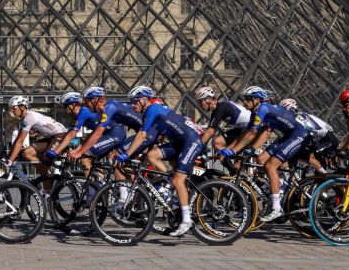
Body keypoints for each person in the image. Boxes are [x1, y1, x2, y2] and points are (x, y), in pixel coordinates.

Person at [119, 90, 204, 236]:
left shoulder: (152, 109)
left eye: (134, 101)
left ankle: (186, 220)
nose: (132, 105)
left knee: (178, 180)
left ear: (144, 99)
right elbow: (155, 137)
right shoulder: (152, 110)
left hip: (191, 141)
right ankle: (168, 184)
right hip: (180, 143)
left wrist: (126, 154)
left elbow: (142, 135)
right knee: (152, 155)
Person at [219, 86, 310, 222]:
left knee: (270, 166)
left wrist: (233, 151)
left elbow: (252, 134)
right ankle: (277, 187)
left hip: (299, 134)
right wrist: (241, 149)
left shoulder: (263, 109)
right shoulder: (256, 112)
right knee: (261, 159)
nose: (244, 102)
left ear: (257, 100)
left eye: (247, 99)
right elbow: (249, 133)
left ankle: (276, 208)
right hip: (289, 135)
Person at [67, 86, 143, 164]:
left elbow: (98, 133)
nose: (86, 105)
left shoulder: (109, 107)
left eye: (87, 102)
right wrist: (78, 149)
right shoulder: (106, 108)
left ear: (95, 100)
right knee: (115, 161)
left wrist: (79, 152)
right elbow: (95, 133)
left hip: (145, 133)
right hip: (140, 132)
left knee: (87, 158)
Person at [3, 95, 68, 182]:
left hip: (60, 135)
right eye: (11, 109)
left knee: (44, 166)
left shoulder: (29, 117)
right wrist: (9, 156)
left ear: (22, 107)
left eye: (14, 108)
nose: (12, 111)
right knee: (27, 152)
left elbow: (20, 141)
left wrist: (10, 160)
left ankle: (47, 193)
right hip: (52, 137)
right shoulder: (24, 119)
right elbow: (17, 140)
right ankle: (44, 170)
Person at [279, 98, 338, 171]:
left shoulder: (298, 118)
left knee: (307, 157)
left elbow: (310, 133)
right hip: (323, 137)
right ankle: (310, 174)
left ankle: (325, 176)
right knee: (296, 158)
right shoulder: (300, 115)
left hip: (325, 138)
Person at [195, 86, 251, 151]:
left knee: (217, 142)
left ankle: (227, 157)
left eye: (200, 101)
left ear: (208, 100)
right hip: (243, 129)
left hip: (250, 130)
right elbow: (209, 130)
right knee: (218, 143)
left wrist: (197, 148)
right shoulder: (218, 108)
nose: (199, 104)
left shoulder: (221, 108)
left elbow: (210, 131)